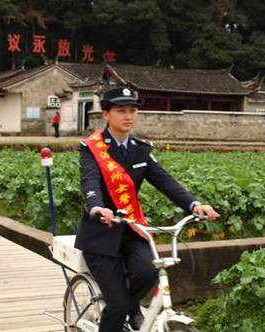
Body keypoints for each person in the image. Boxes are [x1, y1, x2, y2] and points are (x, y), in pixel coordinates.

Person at [75, 86, 219, 332]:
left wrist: (194, 204)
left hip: (131, 228)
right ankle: (122, 311)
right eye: (121, 111)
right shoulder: (92, 149)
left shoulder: (140, 149)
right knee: (116, 306)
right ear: (106, 115)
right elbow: (89, 182)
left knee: (148, 271)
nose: (128, 116)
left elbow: (165, 180)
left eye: (133, 110)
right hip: (100, 234)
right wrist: (97, 207)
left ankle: (131, 309)